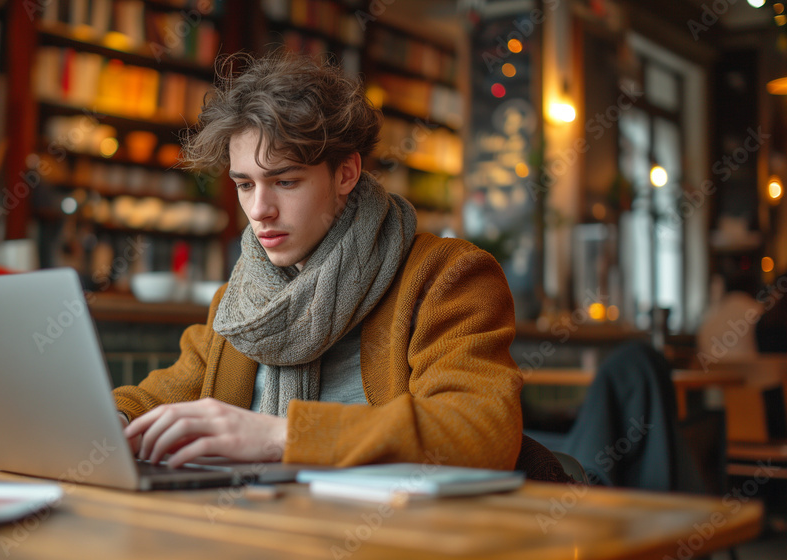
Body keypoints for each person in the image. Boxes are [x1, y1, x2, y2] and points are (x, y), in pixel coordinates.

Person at [114, 51, 523, 470]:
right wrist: (113, 420)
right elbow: (158, 397)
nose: (259, 210)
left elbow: (480, 431)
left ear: (346, 174)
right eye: (244, 185)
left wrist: (278, 436)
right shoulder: (238, 302)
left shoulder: (446, 276)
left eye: (285, 181)